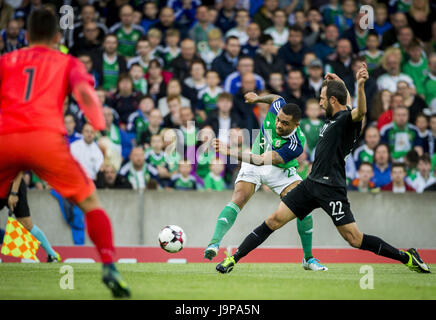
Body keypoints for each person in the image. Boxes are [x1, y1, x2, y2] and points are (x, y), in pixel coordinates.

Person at [215, 63, 431, 274]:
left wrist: (360, 85)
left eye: (322, 98)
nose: (319, 103)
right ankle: (233, 259)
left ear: (333, 100)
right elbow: (343, 102)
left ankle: (407, 257)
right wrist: (341, 83)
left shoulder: (347, 119)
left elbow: (360, 112)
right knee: (274, 220)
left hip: (332, 187)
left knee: (354, 239)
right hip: (311, 183)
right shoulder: (333, 117)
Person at [0, 9, 130, 296]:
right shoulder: (66, 62)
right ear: (58, 37)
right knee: (90, 203)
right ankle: (109, 265)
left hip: (5, 139)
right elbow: (85, 93)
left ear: (26, 35)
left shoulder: (6, 61)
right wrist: (97, 124)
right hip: (46, 141)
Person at [205, 92, 328, 271]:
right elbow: (276, 98)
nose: (278, 124)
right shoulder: (278, 107)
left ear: (296, 125)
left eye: (285, 123)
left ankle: (308, 259)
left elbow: (263, 160)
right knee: (238, 198)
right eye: (278, 120)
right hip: (253, 163)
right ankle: (214, 244)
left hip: (276, 168)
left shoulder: (295, 144)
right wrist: (257, 99)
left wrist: (229, 151)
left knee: (304, 207)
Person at [0, 172, 61, 262]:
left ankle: (52, 255)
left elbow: (18, 170)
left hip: (14, 186)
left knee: (26, 224)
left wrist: (13, 193)